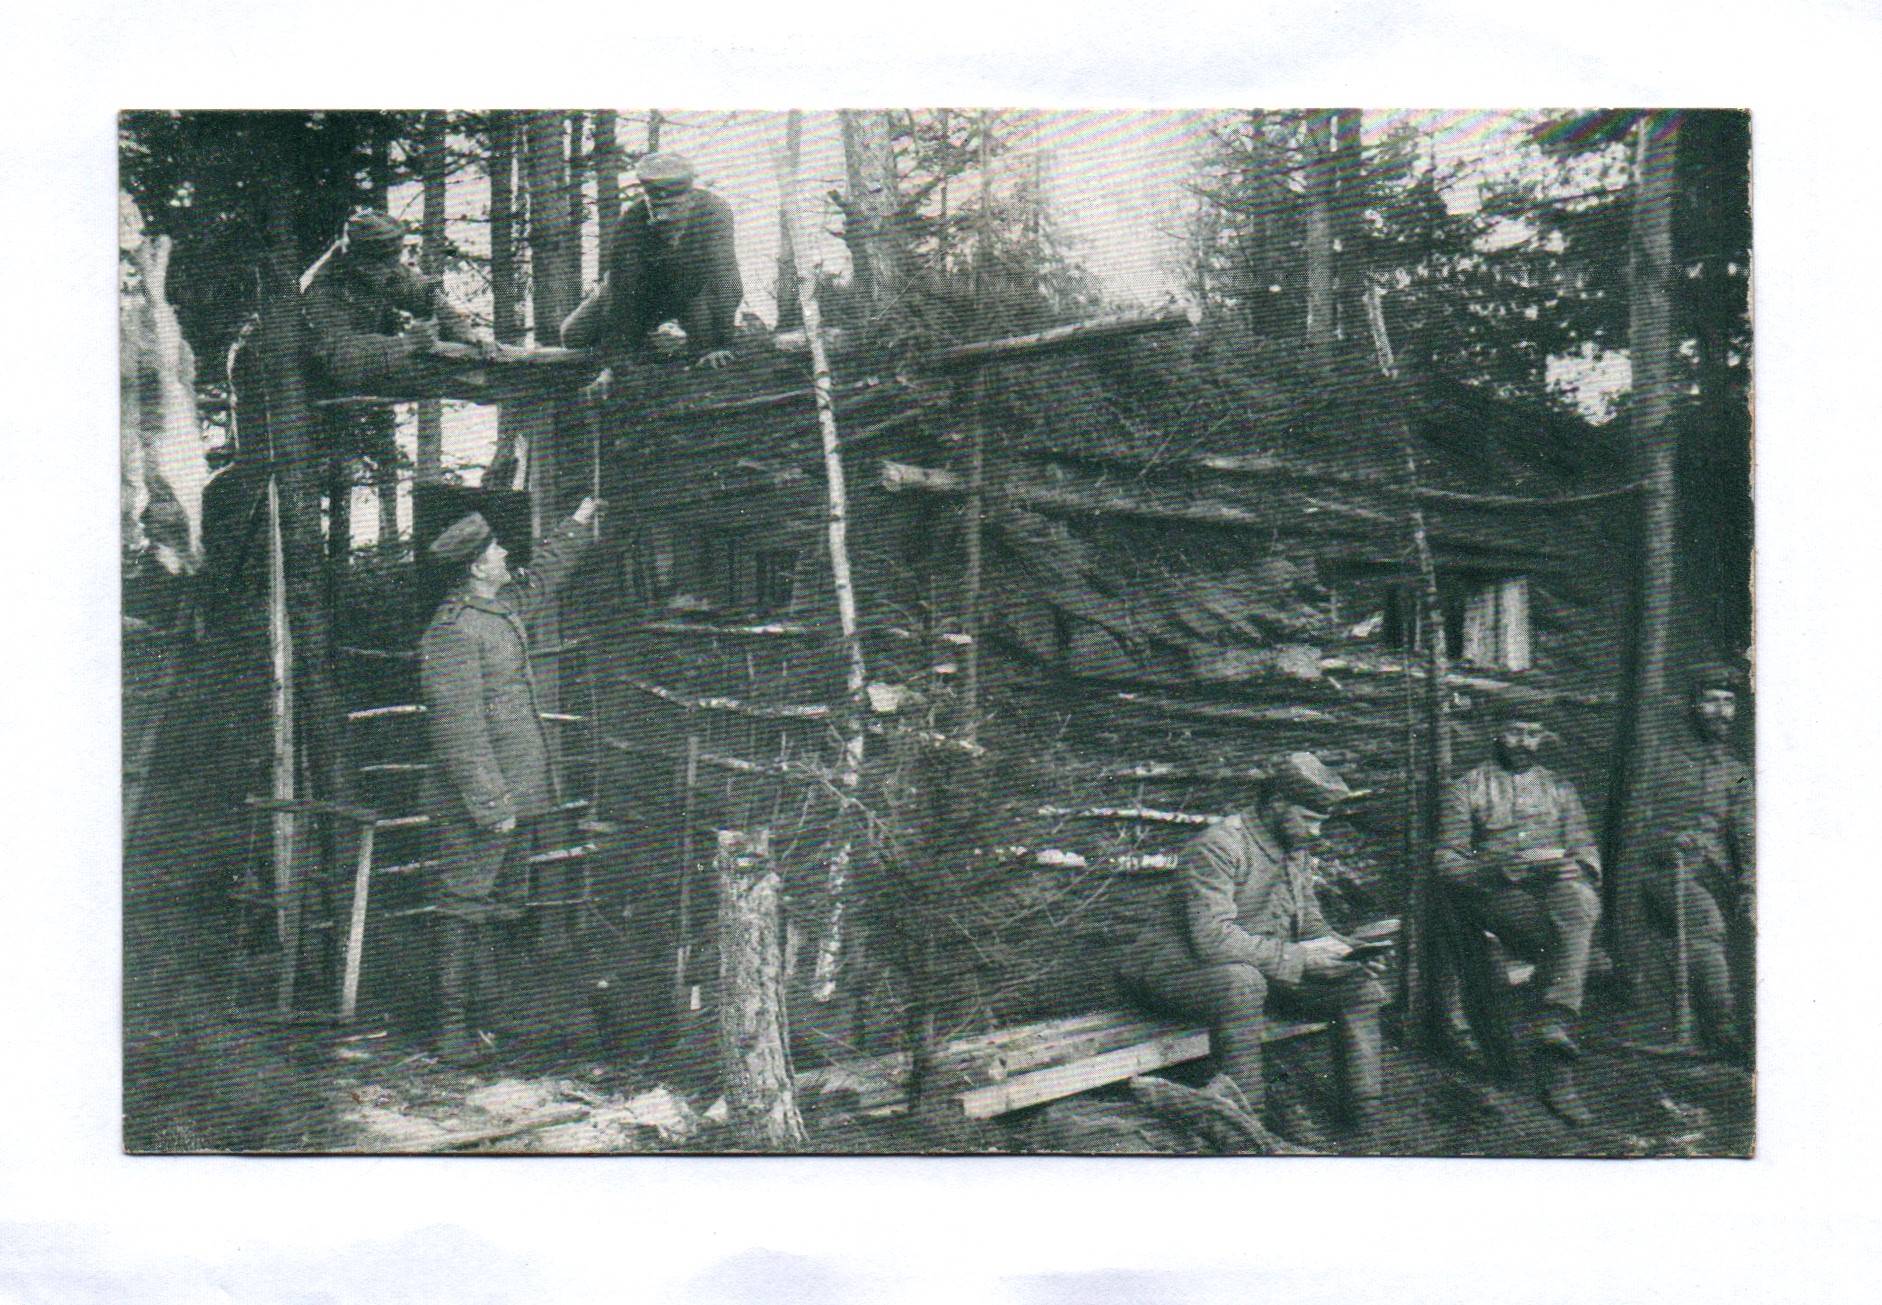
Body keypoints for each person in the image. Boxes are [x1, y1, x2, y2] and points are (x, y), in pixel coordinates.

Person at [1117, 753, 1389, 1149]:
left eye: (1320, 822)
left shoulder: (1293, 845)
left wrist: (1347, 952)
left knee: (1360, 987)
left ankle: (1367, 1124)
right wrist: (1300, 959)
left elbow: (1308, 920)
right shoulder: (1220, 846)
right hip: (1176, 969)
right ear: (1276, 803)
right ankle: (1248, 1127)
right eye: (1309, 819)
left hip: (1260, 967)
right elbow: (1212, 940)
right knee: (1241, 982)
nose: (1316, 832)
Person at [418, 497, 602, 1064]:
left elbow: (541, 576)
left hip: (513, 793)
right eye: (498, 550)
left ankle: (486, 1021)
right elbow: (459, 730)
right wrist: (491, 801)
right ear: (476, 566)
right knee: (463, 903)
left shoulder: (498, 608)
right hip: (482, 798)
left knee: (498, 903)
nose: (506, 555)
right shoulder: (453, 632)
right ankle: (452, 1030)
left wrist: (578, 522)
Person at [1436, 707, 1602, 1124]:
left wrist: (1577, 867)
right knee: (1565, 942)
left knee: (1579, 903)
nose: (1525, 742)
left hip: (1554, 888)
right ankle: (1556, 1069)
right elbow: (1445, 860)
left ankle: (1553, 1024)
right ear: (1496, 731)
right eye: (1515, 731)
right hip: (1496, 892)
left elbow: (1584, 847)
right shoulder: (1468, 787)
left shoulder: (1560, 789)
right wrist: (1493, 869)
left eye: (1533, 733)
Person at [1642, 664, 1754, 1059]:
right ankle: (1720, 1032)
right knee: (1706, 919)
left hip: (1714, 872)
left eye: (1729, 702)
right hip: (1660, 870)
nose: (1721, 712)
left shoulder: (1737, 771)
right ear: (1692, 705)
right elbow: (1631, 820)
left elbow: (1746, 828)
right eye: (1710, 701)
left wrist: (1751, 885)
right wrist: (1662, 840)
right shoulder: (1658, 759)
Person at [562, 153, 742, 380]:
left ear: (691, 198)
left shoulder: (714, 212)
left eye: (672, 207)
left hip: (694, 294)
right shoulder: (632, 221)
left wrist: (720, 343)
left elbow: (725, 276)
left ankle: (686, 342)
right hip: (643, 294)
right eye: (656, 207)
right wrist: (614, 364)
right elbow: (622, 296)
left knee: (705, 349)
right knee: (572, 334)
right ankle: (644, 342)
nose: (663, 215)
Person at [301, 210, 495, 395]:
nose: (393, 270)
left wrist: (469, 336)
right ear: (360, 259)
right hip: (327, 384)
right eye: (384, 263)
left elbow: (426, 294)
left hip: (379, 361)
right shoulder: (325, 289)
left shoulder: (379, 267)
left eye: (395, 259)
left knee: (492, 363)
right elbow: (340, 363)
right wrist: (406, 343)